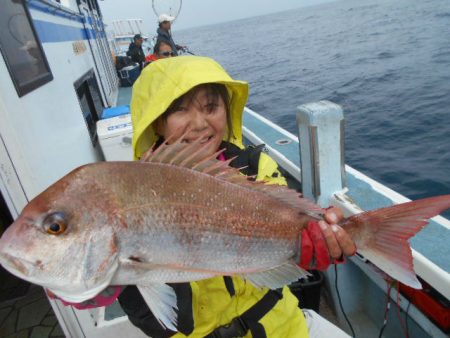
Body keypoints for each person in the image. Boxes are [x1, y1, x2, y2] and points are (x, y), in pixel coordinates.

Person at [118, 55, 356, 337]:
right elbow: (150, 312)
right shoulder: (136, 191)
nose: (198, 123)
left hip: (283, 326)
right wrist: (105, 288)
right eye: (179, 110)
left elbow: (294, 234)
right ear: (157, 121)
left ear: (226, 111)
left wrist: (322, 243)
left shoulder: (256, 168)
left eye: (211, 107)